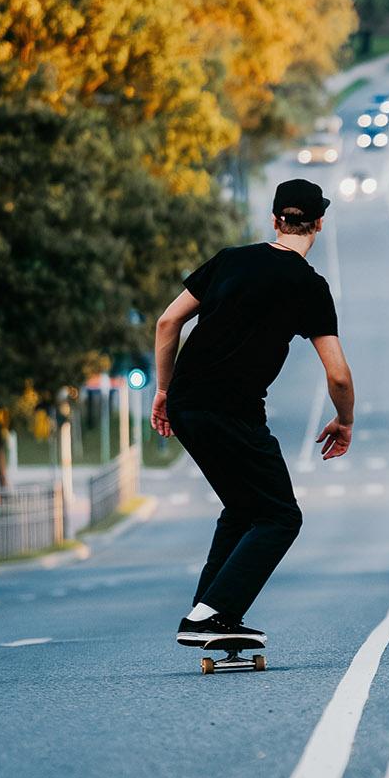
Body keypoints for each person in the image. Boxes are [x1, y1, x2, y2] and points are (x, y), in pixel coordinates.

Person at [151, 179, 354, 650]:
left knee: (244, 509)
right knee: (281, 516)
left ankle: (209, 612)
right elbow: (338, 375)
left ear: (275, 220)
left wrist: (164, 389)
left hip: (187, 404)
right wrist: (344, 420)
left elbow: (167, 322)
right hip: (233, 412)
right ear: (318, 223)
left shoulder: (229, 259)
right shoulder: (309, 285)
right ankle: (211, 615)